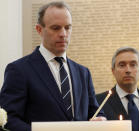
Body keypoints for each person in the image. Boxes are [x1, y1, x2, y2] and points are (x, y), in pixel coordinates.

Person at [0, 1, 106, 131]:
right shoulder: (19, 70)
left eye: (67, 27)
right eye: (56, 28)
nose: (63, 34)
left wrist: (101, 120)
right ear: (39, 29)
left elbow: (95, 112)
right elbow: (9, 119)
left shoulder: (83, 73)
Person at [96, 47, 139, 131]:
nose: (128, 70)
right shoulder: (98, 102)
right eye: (122, 65)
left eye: (133, 65)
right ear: (113, 71)